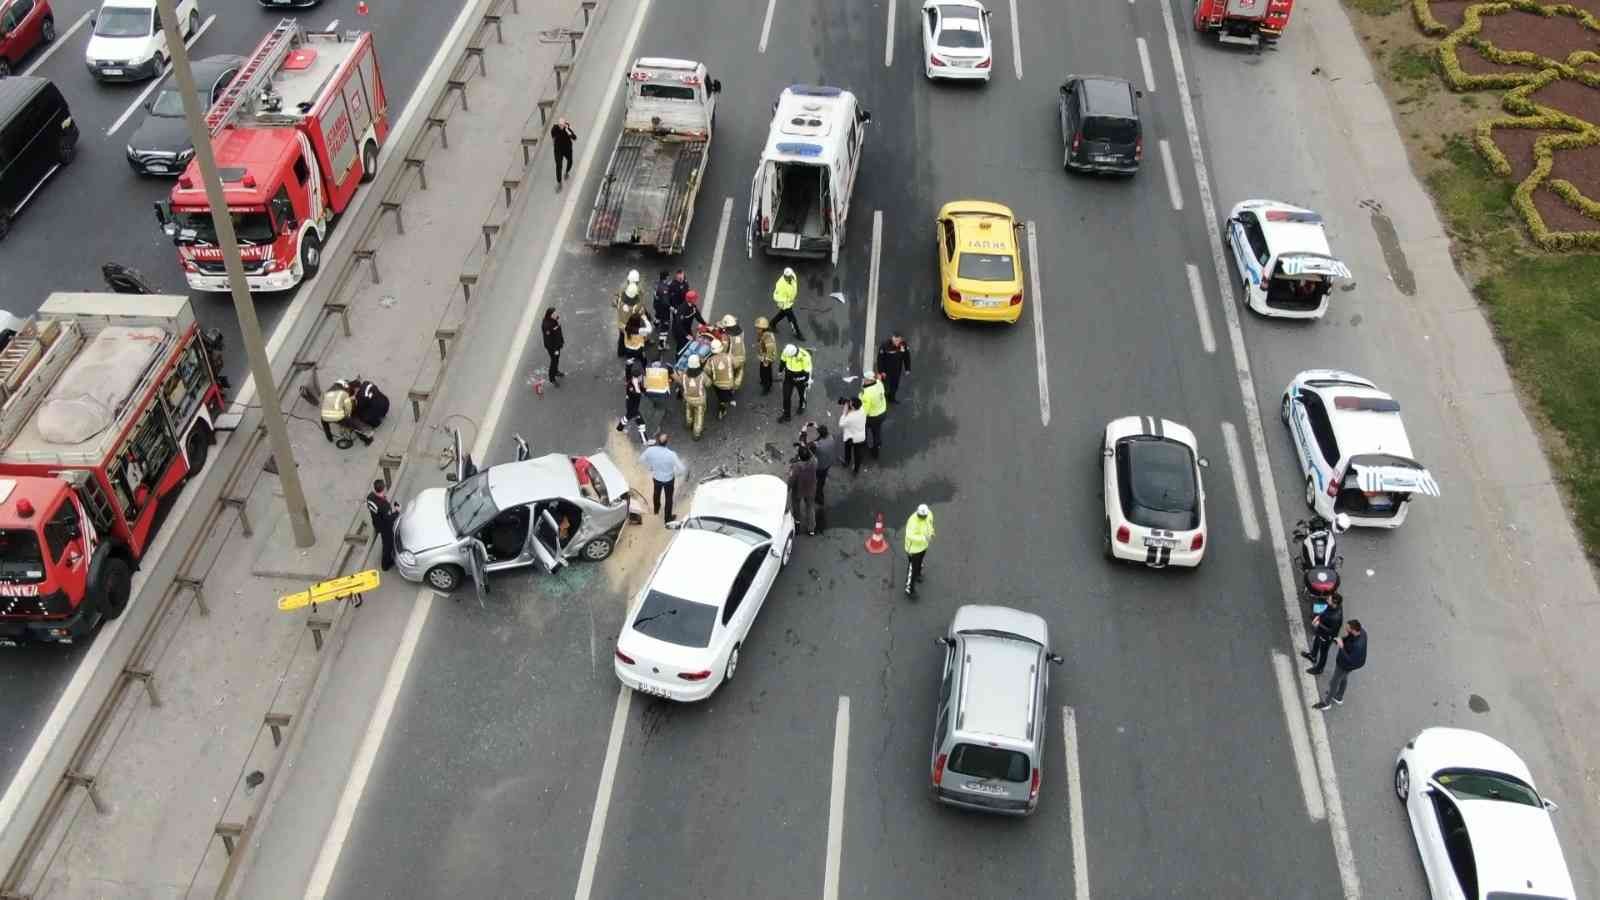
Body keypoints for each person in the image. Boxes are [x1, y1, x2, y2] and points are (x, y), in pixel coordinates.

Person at [1313, 620, 1367, 710]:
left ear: (1354, 630)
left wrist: (1341, 647)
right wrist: (1341, 639)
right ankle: (1339, 697)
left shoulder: (1358, 645)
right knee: (1344, 677)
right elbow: (1349, 638)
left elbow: (1350, 660)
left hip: (1346, 664)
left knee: (1334, 681)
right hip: (1353, 663)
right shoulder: (1361, 632)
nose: (1346, 629)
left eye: (1348, 628)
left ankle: (1327, 703)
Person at [639, 432, 684, 523]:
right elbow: (682, 469)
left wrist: (650, 467)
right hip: (669, 480)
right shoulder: (672, 454)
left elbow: (641, 460)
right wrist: (675, 473)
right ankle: (667, 519)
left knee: (656, 494)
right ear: (667, 442)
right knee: (668, 499)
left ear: (657, 441)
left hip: (657, 478)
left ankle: (656, 509)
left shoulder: (650, 450)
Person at [1301, 591, 1344, 675]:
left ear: (1334, 602)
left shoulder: (1335, 617)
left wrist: (1318, 625)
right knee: (1316, 641)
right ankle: (1313, 656)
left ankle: (1319, 668)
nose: (1327, 599)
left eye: (1329, 599)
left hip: (1326, 637)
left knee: (1323, 652)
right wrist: (1319, 616)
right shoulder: (1334, 607)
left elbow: (1332, 632)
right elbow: (1326, 611)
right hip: (1321, 631)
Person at [366, 479, 399, 572]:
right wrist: (397, 511)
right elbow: (389, 518)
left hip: (376, 523)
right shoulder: (384, 505)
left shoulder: (370, 497)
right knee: (388, 545)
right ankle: (385, 565)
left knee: (387, 543)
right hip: (385, 528)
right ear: (383, 489)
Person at [904, 503, 936, 597]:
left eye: (923, 516)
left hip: (923, 546)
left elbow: (930, 524)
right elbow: (909, 536)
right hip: (913, 549)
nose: (922, 518)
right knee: (912, 568)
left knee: (920, 562)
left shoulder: (929, 514)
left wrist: (932, 532)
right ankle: (909, 588)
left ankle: (918, 574)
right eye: (920, 516)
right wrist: (924, 538)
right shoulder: (912, 521)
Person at [613, 271, 647, 358]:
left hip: (621, 323)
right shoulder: (634, 306)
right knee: (631, 339)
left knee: (621, 337)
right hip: (629, 325)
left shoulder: (621, 297)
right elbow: (640, 311)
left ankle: (620, 352)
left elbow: (615, 302)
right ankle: (632, 354)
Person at [778, 344, 813, 423]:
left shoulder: (804, 356)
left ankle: (802, 405)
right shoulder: (786, 351)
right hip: (789, 376)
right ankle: (786, 415)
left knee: (801, 394)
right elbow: (783, 361)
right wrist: (780, 370)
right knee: (786, 397)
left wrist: (807, 381)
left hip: (800, 376)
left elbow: (807, 371)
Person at [787, 445, 817, 536]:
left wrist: (787, 489)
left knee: (796, 506)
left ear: (799, 457)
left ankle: (797, 522)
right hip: (810, 488)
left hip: (798, 490)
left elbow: (791, 480)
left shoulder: (796, 467)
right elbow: (812, 455)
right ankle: (811, 528)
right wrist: (805, 448)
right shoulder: (814, 462)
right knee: (810, 508)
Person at [876, 332, 912, 404]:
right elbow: (880, 360)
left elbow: (907, 357)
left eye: (898, 340)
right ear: (892, 338)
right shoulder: (885, 346)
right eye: (895, 340)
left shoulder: (903, 345)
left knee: (895, 385)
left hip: (897, 370)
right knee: (885, 386)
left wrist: (907, 368)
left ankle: (892, 398)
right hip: (886, 371)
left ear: (901, 339)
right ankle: (883, 399)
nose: (896, 342)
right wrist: (881, 371)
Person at [770, 267, 805, 340]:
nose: (789, 278)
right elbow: (775, 296)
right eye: (787, 277)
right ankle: (797, 333)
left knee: (782, 314)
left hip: (789, 301)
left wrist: (792, 298)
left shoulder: (793, 276)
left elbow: (794, 286)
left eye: (790, 276)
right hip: (785, 304)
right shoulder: (780, 284)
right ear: (784, 276)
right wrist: (787, 300)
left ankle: (772, 324)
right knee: (793, 319)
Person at [860, 372, 888, 459]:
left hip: (872, 416)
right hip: (882, 412)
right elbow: (879, 380)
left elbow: (865, 410)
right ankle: (876, 449)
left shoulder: (867, 394)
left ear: (869, 380)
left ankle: (863, 444)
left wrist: (860, 397)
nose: (863, 380)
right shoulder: (879, 384)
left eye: (865, 379)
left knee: (863, 428)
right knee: (876, 431)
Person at [681, 354, 709, 440]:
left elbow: (682, 384)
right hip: (699, 400)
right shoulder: (702, 375)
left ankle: (689, 424)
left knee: (688, 410)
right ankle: (696, 433)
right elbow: (708, 384)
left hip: (688, 398)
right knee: (699, 416)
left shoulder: (684, 374)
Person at [809, 423, 837, 511]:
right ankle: (819, 494)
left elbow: (811, 449)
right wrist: (817, 426)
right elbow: (823, 435)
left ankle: (818, 495)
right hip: (828, 463)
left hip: (819, 466)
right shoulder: (831, 438)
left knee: (816, 477)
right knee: (822, 479)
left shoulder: (818, 446)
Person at [708, 339, 737, 419]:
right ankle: (729, 398)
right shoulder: (729, 356)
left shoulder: (710, 360)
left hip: (717, 384)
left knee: (721, 396)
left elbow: (707, 371)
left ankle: (722, 408)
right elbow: (736, 364)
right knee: (728, 390)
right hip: (729, 382)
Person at [838, 397, 867, 475]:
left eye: (850, 403)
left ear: (853, 407)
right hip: (861, 437)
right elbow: (855, 411)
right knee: (857, 454)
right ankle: (856, 469)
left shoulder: (850, 417)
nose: (849, 404)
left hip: (850, 437)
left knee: (847, 449)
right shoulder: (863, 410)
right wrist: (850, 410)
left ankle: (847, 462)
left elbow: (841, 424)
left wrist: (844, 412)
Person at [617, 359, 645, 438]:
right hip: (632, 407)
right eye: (640, 376)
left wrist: (628, 364)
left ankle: (619, 428)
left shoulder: (632, 379)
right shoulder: (632, 387)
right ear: (637, 377)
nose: (641, 377)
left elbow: (628, 372)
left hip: (631, 405)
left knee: (627, 417)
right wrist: (638, 388)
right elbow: (638, 394)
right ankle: (644, 441)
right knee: (641, 424)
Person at [672, 290, 706, 355]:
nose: (696, 300)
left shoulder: (693, 306)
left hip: (687, 329)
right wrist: (686, 335)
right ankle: (678, 357)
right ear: (690, 300)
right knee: (681, 346)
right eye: (695, 299)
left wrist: (705, 324)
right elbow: (678, 324)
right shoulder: (682, 309)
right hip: (680, 331)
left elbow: (698, 316)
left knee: (690, 343)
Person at [720, 314, 748, 389]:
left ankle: (731, 387)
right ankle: (736, 385)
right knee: (739, 371)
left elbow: (724, 349)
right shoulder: (741, 331)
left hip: (732, 358)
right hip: (742, 355)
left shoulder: (726, 336)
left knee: (730, 372)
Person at [550, 117, 577, 189]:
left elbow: (575, 138)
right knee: (558, 165)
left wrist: (568, 131)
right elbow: (553, 138)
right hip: (558, 150)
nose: (561, 126)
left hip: (567, 149)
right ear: (558, 124)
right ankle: (559, 182)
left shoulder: (568, 128)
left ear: (565, 124)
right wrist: (554, 146)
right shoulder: (554, 129)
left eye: (562, 125)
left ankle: (567, 172)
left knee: (570, 161)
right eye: (560, 125)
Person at [541, 308, 565, 386]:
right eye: (554, 314)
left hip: (557, 345)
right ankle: (552, 378)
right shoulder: (547, 325)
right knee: (554, 361)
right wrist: (555, 350)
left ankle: (556, 371)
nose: (556, 315)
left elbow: (557, 331)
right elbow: (549, 340)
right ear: (550, 315)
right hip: (553, 347)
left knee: (556, 359)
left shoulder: (554, 320)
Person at [754, 317, 778, 395]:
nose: (757, 330)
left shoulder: (767, 337)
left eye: (758, 328)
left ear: (763, 328)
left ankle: (767, 387)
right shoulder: (764, 334)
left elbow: (770, 350)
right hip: (764, 356)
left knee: (765, 372)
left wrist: (766, 360)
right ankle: (765, 382)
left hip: (766, 358)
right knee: (766, 371)